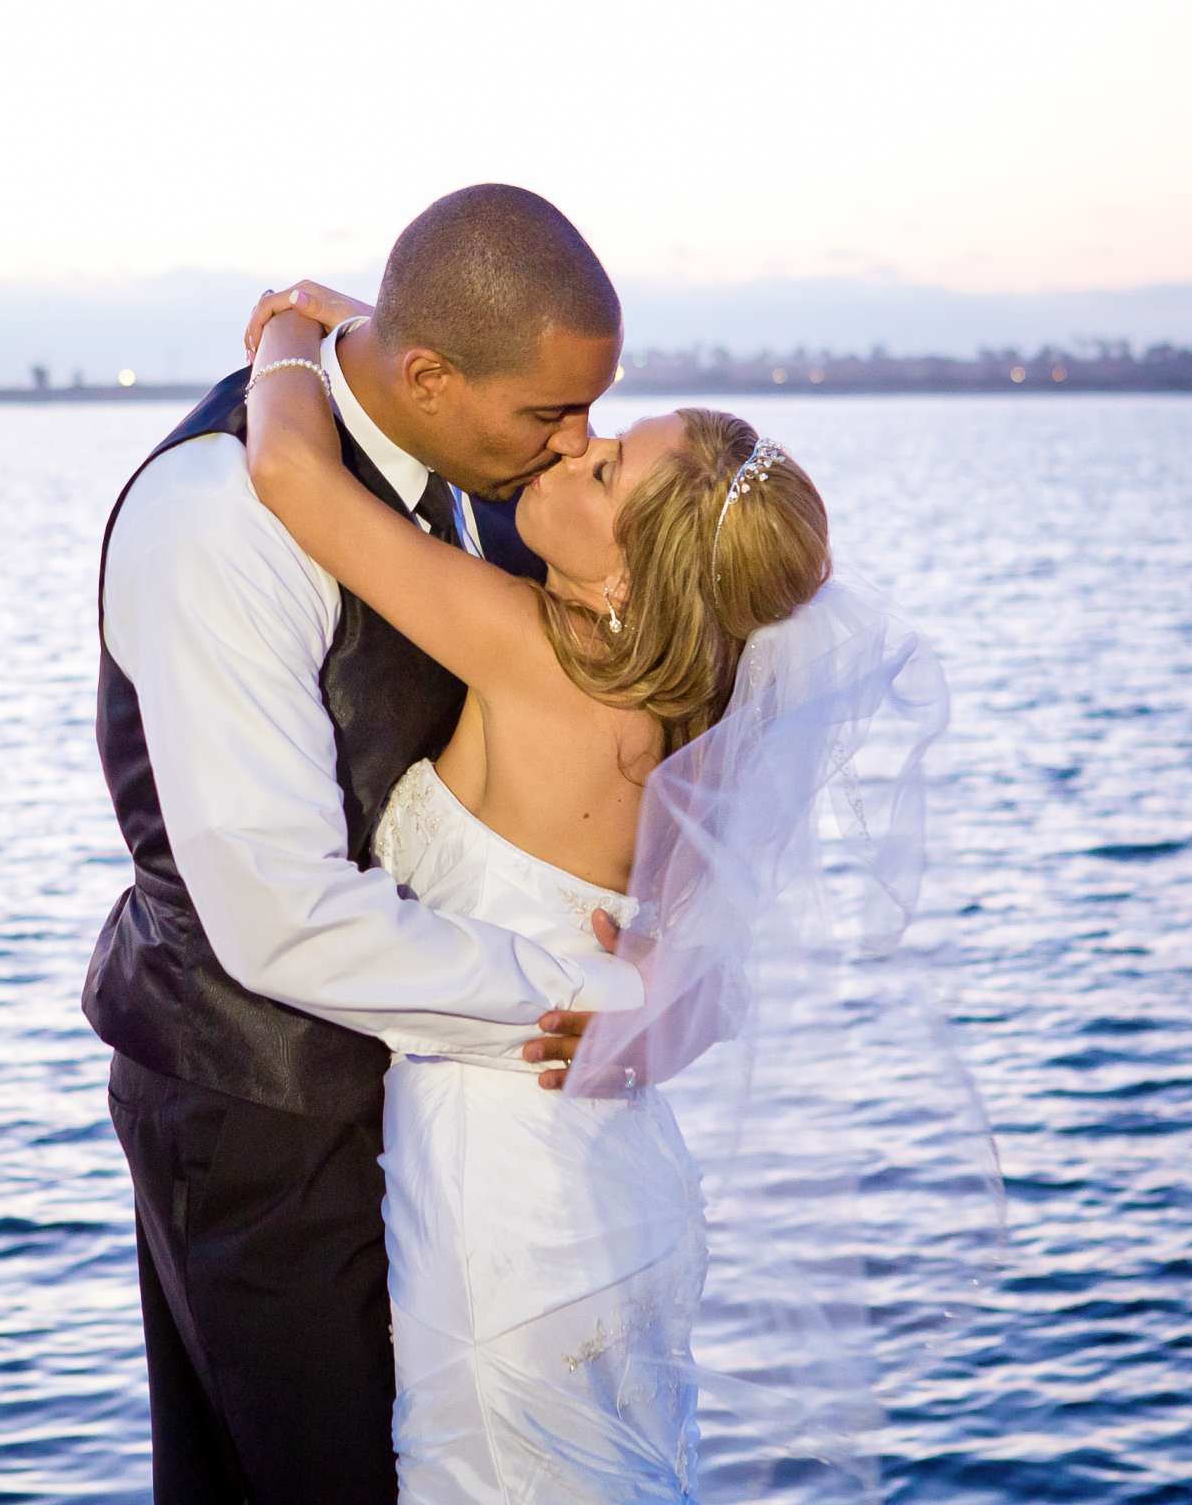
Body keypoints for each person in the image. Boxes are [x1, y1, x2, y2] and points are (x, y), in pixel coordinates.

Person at [84, 184, 645, 1501]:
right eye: (550, 415)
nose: (579, 446)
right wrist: (578, 1004)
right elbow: (279, 914)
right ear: (431, 374)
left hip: (432, 1105)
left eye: (590, 409)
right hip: (262, 1113)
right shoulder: (221, 516)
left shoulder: (480, 466)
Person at [237, 277, 834, 1498]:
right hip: (619, 1187)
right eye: (590, 433)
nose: (571, 448)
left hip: (509, 1193)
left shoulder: (528, 652)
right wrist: (428, 349)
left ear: (631, 578)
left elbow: (291, 477)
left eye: (606, 469)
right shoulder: (688, 709)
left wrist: (301, 331)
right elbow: (704, 972)